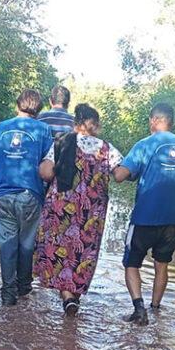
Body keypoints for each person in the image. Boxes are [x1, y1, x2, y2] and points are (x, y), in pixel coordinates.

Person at [34, 104, 123, 316]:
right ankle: (74, 298)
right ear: (97, 126)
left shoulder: (63, 142)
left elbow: (45, 173)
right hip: (92, 211)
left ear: (76, 125)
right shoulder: (107, 148)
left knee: (59, 249)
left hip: (61, 206)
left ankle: (67, 297)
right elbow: (119, 174)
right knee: (83, 253)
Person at [112, 102, 175, 325]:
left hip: (145, 218)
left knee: (131, 264)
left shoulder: (145, 144)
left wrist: (116, 166)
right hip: (173, 220)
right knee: (162, 265)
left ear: (153, 121)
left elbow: (120, 175)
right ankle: (155, 309)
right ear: (171, 121)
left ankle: (139, 309)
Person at [0, 89, 56, 306]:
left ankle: (8, 293)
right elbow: (47, 166)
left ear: (17, 106)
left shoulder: (0, 127)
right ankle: (24, 289)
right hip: (30, 195)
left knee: (7, 243)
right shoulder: (44, 130)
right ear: (40, 110)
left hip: (2, 194)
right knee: (27, 243)